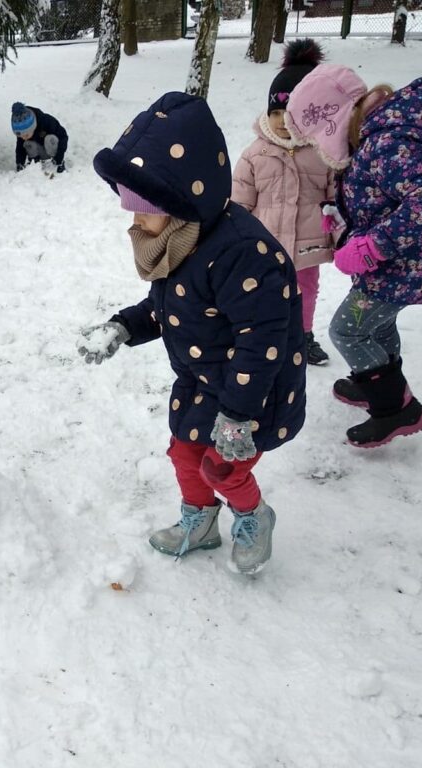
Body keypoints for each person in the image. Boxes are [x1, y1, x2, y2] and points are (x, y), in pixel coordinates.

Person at [80, 92, 306, 574]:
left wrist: (239, 417)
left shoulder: (241, 253)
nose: (136, 221)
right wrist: (124, 325)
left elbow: (263, 338)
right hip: (204, 379)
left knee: (224, 467)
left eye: (143, 210)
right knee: (184, 454)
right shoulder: (183, 238)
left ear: (182, 201)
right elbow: (170, 306)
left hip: (252, 391)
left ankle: (254, 517)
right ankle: (200, 523)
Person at [286, 65, 422, 447]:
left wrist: (374, 245)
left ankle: (396, 409)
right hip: (403, 265)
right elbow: (380, 197)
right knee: (377, 328)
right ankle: (377, 384)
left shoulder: (391, 140)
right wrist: (344, 221)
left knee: (347, 330)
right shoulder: (377, 135)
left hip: (406, 266)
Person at [232, 39, 334, 366]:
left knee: (306, 291)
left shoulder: (324, 154)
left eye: (288, 113)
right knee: (261, 292)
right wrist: (234, 239)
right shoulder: (255, 153)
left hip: (307, 244)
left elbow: (334, 200)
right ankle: (259, 335)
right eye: (274, 112)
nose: (280, 121)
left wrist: (338, 233)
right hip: (265, 244)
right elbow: (239, 201)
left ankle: (302, 335)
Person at [11, 102, 68, 173]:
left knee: (50, 139)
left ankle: (57, 164)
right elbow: (20, 149)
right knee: (27, 143)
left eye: (26, 135)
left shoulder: (46, 121)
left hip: (52, 150)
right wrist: (19, 163)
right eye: (20, 136)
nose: (23, 138)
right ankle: (36, 163)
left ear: (33, 127)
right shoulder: (23, 133)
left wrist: (59, 156)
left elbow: (63, 136)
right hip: (39, 152)